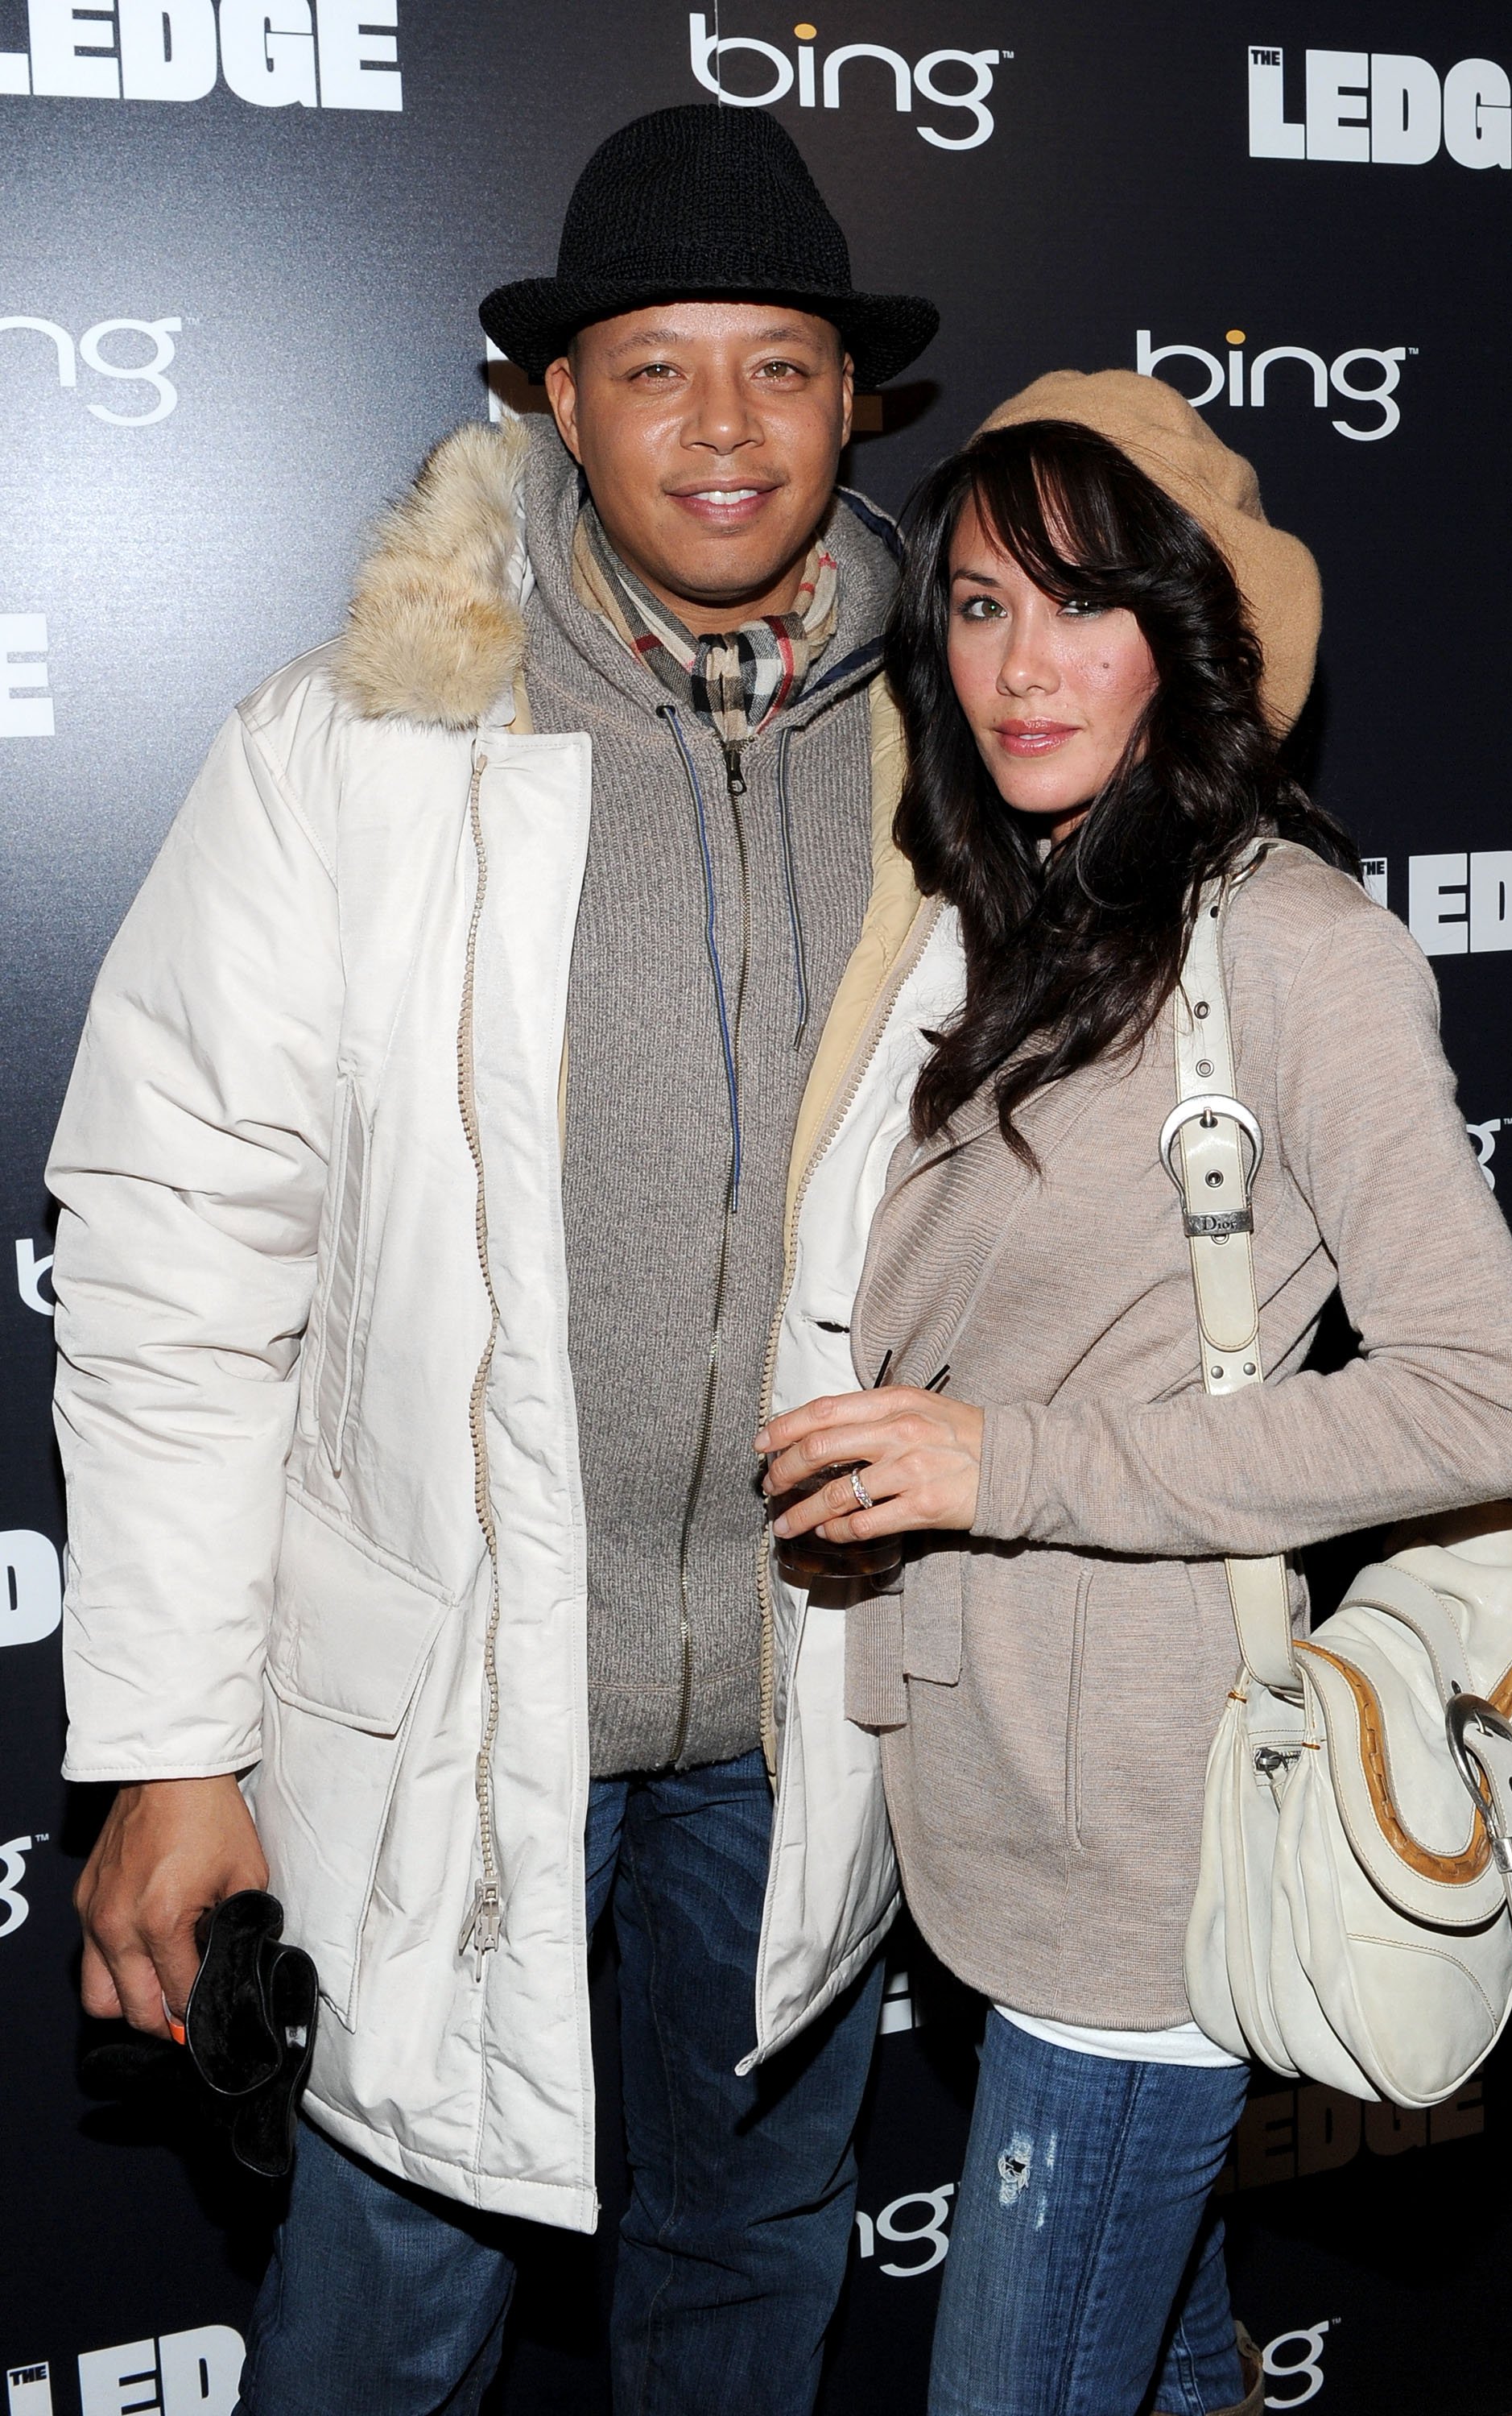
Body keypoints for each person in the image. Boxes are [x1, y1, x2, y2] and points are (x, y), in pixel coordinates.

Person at [48, 105, 944, 2416]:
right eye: (657, 368)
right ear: (557, 399)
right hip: (452, 1711)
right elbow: (169, 1258)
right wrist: (166, 1743)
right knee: (388, 2300)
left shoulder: (974, 754)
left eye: (779, 365)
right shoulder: (353, 750)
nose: (724, 429)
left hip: (804, 1693)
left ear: (857, 397)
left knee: (752, 2271)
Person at [756, 370, 1512, 2416]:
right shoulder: (1001, 924)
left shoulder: (1292, 945)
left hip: (1151, 1837)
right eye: (973, 606)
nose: (1021, 668)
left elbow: (1484, 1406)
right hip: (997, 1800)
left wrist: (997, 1460)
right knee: (1173, 2369)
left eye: (1083, 604)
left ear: (1190, 635)